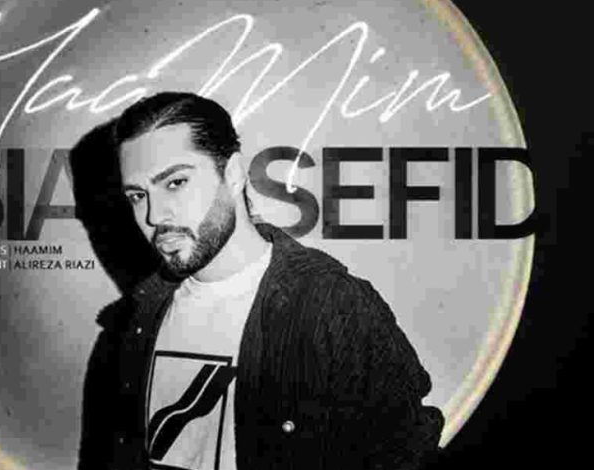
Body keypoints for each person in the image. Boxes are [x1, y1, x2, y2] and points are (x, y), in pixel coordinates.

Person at [88, 92, 443, 470]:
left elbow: (405, 453)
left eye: (175, 182)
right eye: (138, 195)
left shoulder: (333, 307)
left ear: (232, 174)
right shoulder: (133, 319)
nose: (154, 215)